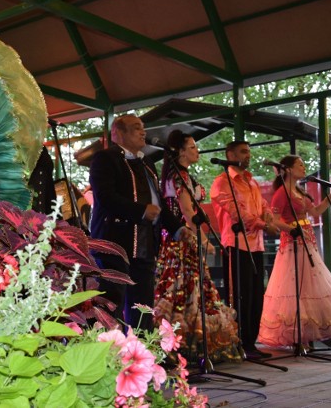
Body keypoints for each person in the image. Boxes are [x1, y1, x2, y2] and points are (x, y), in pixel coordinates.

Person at [258, 155, 331, 348]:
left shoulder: (299, 192)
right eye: (300, 165)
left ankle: (308, 335)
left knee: (312, 287)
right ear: (287, 169)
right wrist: (292, 230)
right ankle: (298, 338)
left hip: (308, 242)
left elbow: (316, 212)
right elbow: (275, 220)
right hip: (293, 243)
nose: (304, 168)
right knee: (296, 288)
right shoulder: (281, 193)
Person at [89, 114, 186, 332]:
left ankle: (142, 357)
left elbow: (157, 202)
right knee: (111, 303)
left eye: (143, 128)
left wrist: (177, 227)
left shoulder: (147, 163)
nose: (143, 132)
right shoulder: (105, 159)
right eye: (136, 128)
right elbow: (106, 197)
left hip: (144, 244)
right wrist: (141, 211)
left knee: (143, 307)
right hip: (114, 244)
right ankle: (109, 357)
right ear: (118, 133)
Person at [154, 130, 240, 362]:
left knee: (193, 289)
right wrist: (203, 238)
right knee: (182, 288)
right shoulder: (176, 177)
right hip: (181, 240)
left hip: (186, 238)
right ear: (180, 152)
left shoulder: (182, 176)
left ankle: (192, 342)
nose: (196, 150)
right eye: (192, 147)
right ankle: (178, 345)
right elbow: (187, 212)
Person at [210, 141, 277, 359]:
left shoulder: (250, 181)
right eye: (243, 152)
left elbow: (263, 206)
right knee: (240, 295)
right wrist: (263, 224)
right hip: (236, 245)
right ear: (230, 154)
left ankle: (250, 342)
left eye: (248, 152)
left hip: (255, 245)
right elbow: (238, 213)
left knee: (256, 294)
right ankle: (239, 343)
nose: (248, 156)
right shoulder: (222, 182)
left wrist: (267, 216)